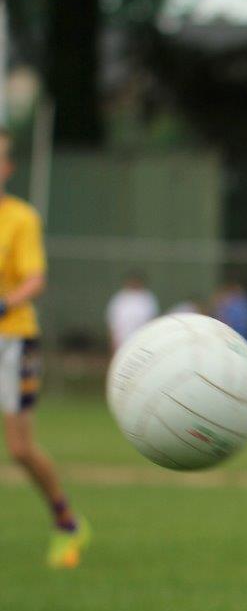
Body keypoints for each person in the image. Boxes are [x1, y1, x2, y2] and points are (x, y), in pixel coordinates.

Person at [0, 128, 91, 567]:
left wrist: (5, 302)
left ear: (8, 168)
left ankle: (66, 521)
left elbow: (34, 278)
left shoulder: (20, 218)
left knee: (19, 448)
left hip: (12, 338)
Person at [105, 271, 159, 351]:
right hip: (122, 336)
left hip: (142, 337)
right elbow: (112, 319)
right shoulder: (119, 297)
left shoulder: (147, 297)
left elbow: (153, 318)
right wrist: (113, 339)